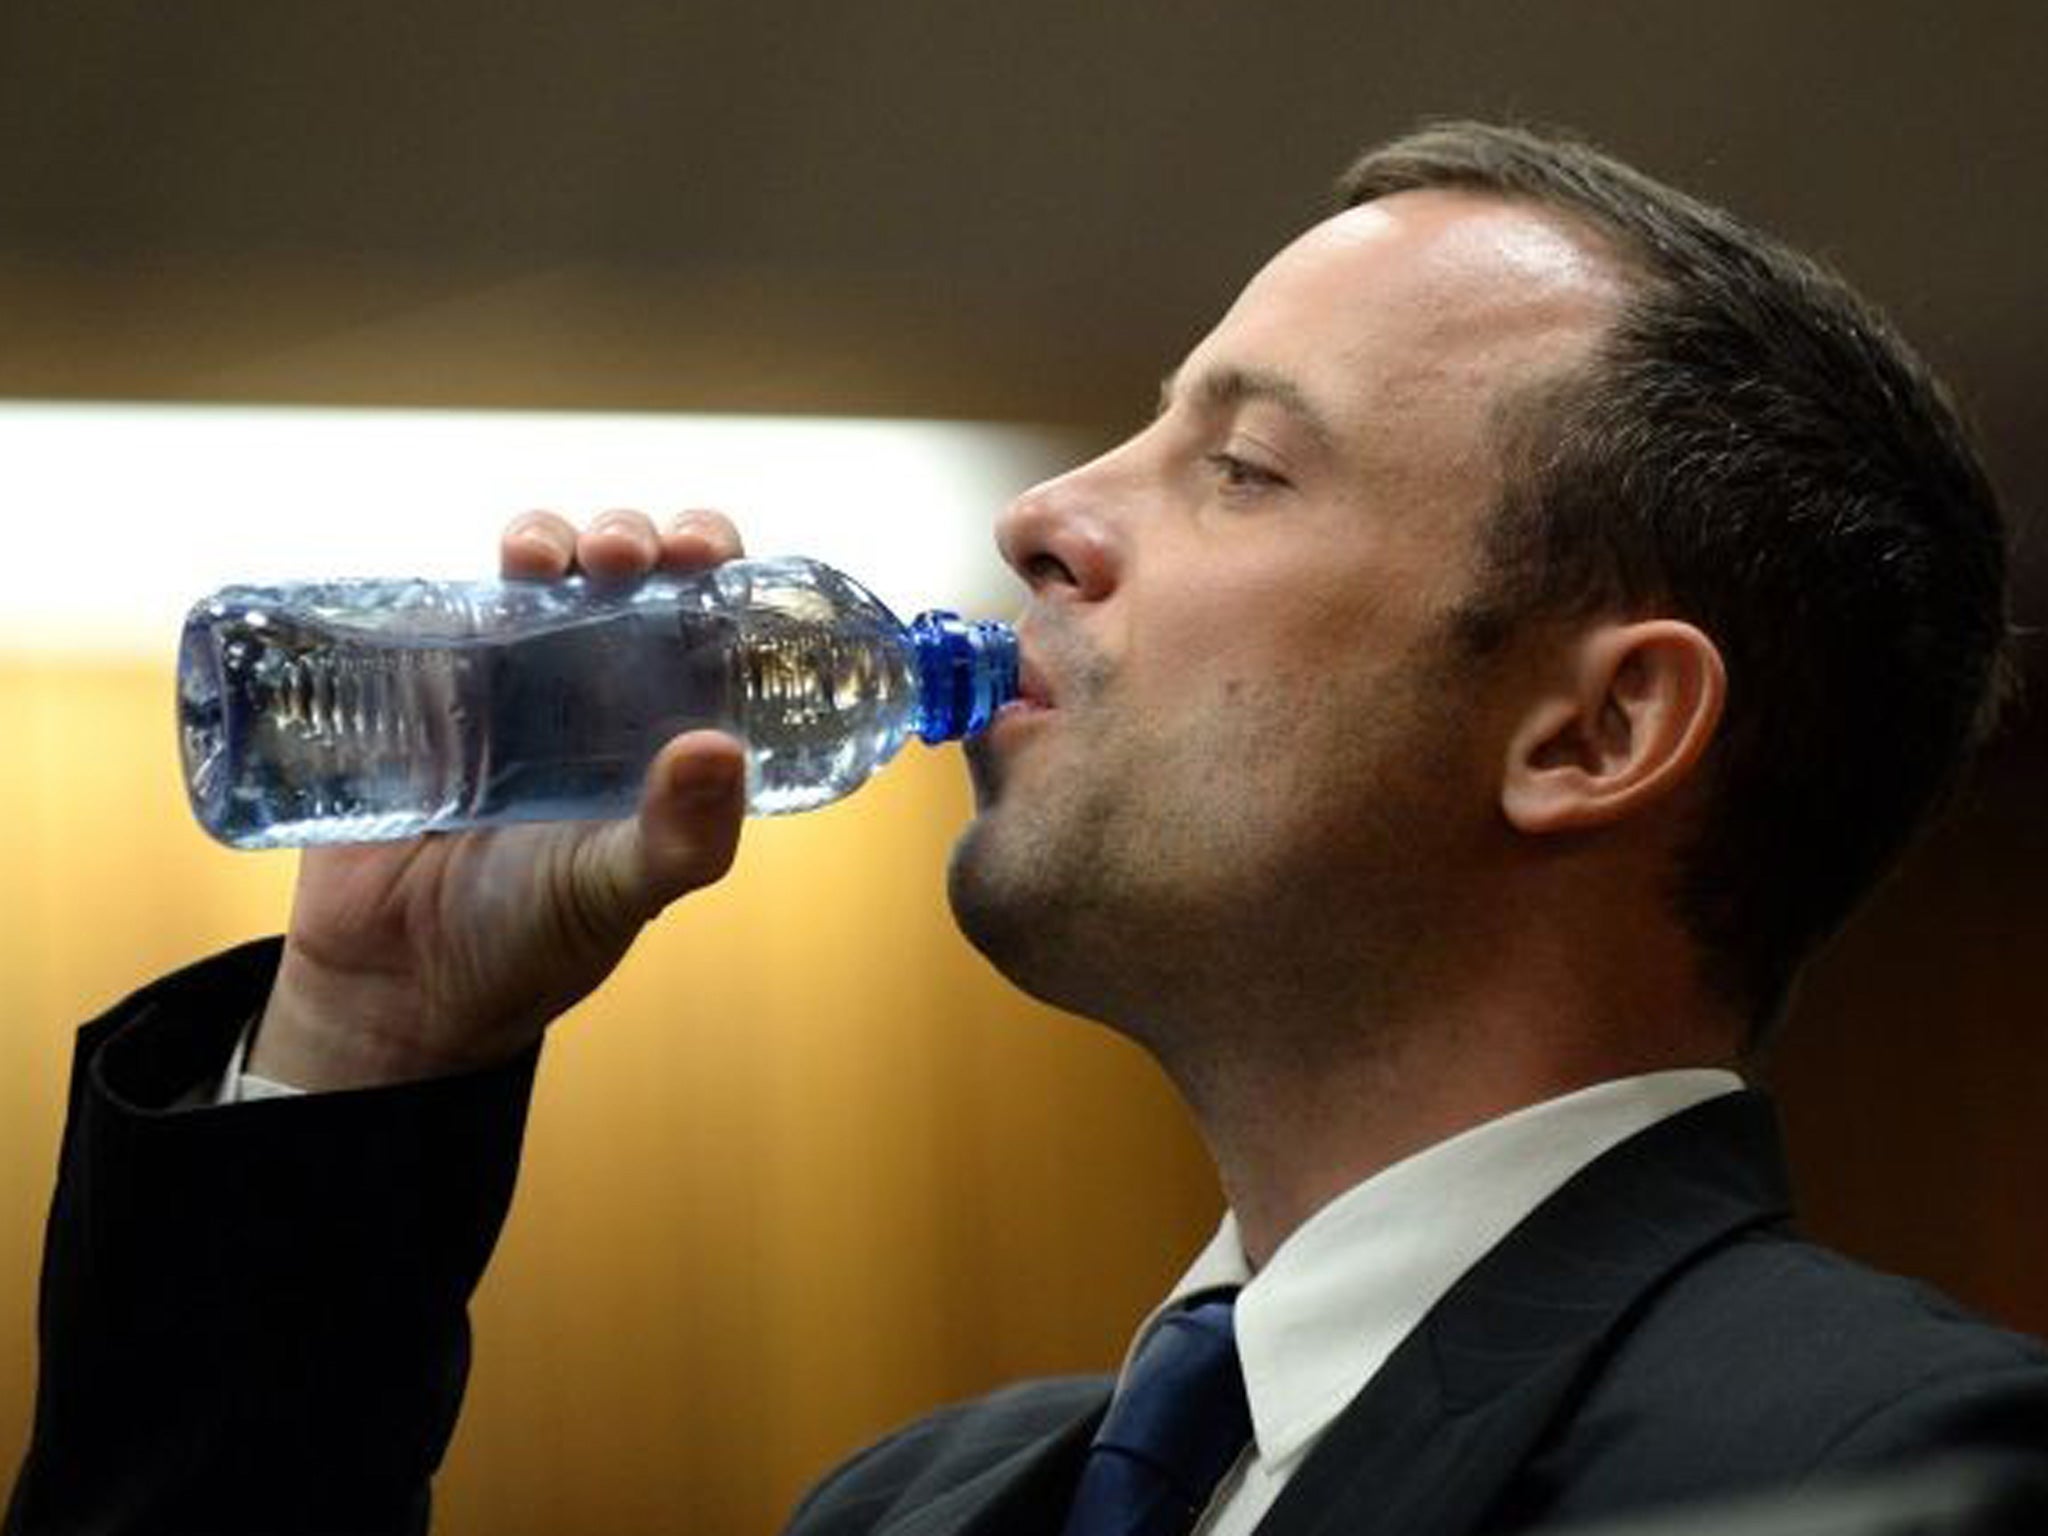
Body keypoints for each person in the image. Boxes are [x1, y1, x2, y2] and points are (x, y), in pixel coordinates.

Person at [7, 120, 2046, 1536]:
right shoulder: (926, 1507)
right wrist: (371, 1045)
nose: (1039, 517)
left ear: (1594, 727)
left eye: (1239, 467)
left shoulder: (1881, 1469)